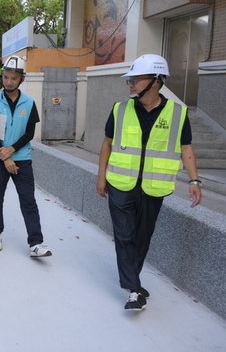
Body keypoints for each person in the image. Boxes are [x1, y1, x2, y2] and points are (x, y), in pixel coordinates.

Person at [96, 54, 202, 312]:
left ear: (155, 82)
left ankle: (133, 282)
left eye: (135, 79)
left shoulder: (178, 113)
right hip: (121, 183)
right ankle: (133, 289)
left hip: (154, 187)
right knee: (123, 235)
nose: (130, 84)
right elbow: (107, 143)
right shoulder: (120, 109)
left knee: (142, 237)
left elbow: (185, 147)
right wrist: (101, 176)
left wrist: (194, 180)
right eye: (129, 80)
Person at [0, 55, 52, 257]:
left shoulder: (29, 103)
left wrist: (12, 151)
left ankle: (36, 243)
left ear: (21, 79)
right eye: (6, 77)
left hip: (22, 158)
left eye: (13, 78)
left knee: (28, 199)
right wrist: (5, 158)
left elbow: (30, 133)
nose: (9, 81)